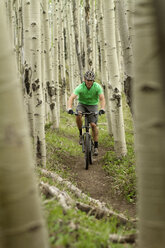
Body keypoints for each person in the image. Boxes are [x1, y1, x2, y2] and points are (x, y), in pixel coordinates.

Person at [67, 71, 105, 156]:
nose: (89, 82)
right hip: (82, 105)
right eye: (87, 80)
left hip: (93, 105)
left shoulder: (97, 87)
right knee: (78, 115)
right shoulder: (80, 87)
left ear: (93, 81)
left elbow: (102, 98)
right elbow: (72, 97)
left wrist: (102, 108)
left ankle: (95, 146)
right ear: (84, 80)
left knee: (93, 125)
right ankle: (80, 134)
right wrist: (69, 108)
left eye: (91, 80)